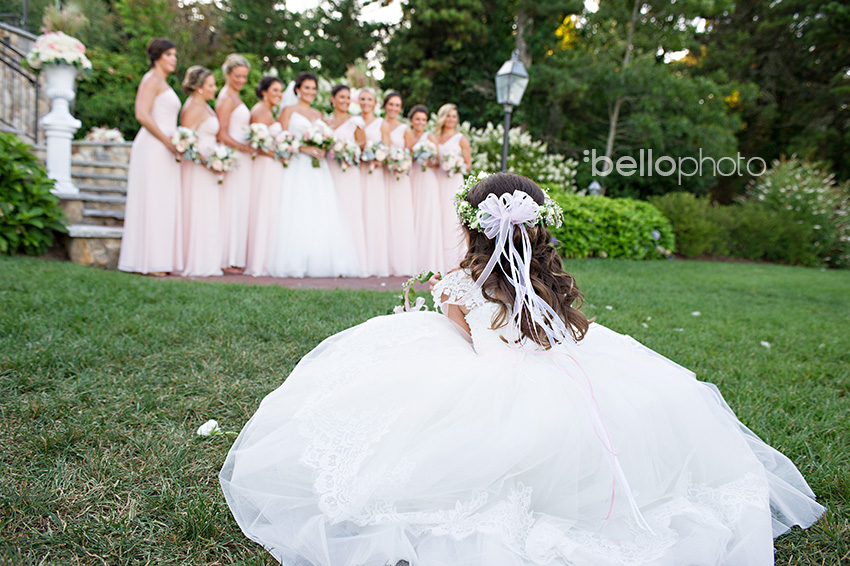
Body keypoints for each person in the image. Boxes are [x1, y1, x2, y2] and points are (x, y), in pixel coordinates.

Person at [221, 171, 824, 566]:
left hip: (490, 378)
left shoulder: (457, 283)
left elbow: (467, 332)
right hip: (564, 365)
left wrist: (443, 294)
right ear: (537, 230)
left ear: (471, 227)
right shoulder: (549, 284)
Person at [268, 72, 358, 278]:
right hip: (298, 166)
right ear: (297, 89)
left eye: (313, 88)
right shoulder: (287, 111)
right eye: (306, 88)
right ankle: (295, 261)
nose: (310, 92)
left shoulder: (318, 115)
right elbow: (280, 139)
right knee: (298, 208)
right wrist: (302, 148)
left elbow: (327, 139)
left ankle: (322, 261)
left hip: (319, 168)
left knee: (320, 208)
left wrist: (324, 147)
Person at [118, 38, 182, 276]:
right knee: (153, 200)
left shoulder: (163, 82)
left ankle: (160, 258)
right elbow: (142, 115)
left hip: (165, 147)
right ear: (157, 56)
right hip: (153, 145)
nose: (174, 59)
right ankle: (149, 261)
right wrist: (167, 141)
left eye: (175, 55)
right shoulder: (151, 79)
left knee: (163, 201)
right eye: (169, 55)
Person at [179, 66, 223, 278]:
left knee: (209, 211)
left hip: (209, 167)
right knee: (198, 210)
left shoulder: (204, 106)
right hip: (198, 169)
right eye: (211, 85)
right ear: (198, 88)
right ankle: (196, 262)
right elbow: (186, 143)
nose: (215, 88)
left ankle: (209, 261)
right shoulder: (192, 108)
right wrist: (208, 161)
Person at [216, 54, 254, 275]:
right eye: (237, 76)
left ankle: (235, 256)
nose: (241, 80)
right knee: (231, 205)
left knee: (239, 205)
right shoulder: (226, 99)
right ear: (228, 74)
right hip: (235, 157)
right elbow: (221, 133)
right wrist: (244, 148)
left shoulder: (236, 97)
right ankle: (226, 258)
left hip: (243, 158)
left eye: (245, 76)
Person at [325, 84, 368, 276]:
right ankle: (330, 259)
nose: (345, 101)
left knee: (348, 212)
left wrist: (348, 152)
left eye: (348, 97)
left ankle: (352, 262)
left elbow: (362, 147)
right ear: (332, 99)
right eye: (341, 97)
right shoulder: (324, 123)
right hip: (329, 171)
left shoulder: (355, 122)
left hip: (348, 172)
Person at [244, 76, 284, 277]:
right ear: (264, 91)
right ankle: (259, 260)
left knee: (270, 208)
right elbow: (257, 146)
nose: (279, 94)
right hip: (266, 165)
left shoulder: (267, 111)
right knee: (264, 207)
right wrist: (279, 154)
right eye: (275, 90)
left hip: (271, 165)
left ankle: (266, 256)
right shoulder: (260, 112)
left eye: (281, 91)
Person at [356, 87, 390, 277]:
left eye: (369, 99)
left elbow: (387, 150)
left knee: (373, 212)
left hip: (375, 173)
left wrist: (378, 159)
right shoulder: (355, 122)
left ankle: (375, 261)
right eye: (362, 99)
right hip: (358, 171)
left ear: (375, 103)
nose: (366, 102)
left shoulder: (380, 123)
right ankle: (360, 258)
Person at [382, 91, 416, 276]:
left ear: (400, 108)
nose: (393, 108)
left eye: (397, 105)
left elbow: (409, 155)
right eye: (390, 104)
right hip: (382, 175)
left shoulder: (405, 129)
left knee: (398, 216)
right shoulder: (380, 124)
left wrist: (399, 164)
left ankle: (400, 261)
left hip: (398, 176)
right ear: (385, 105)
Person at [435, 103, 472, 272]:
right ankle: (435, 256)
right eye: (448, 116)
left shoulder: (460, 138)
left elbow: (468, 165)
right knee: (437, 217)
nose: (451, 119)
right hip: (437, 180)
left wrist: (455, 165)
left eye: (454, 116)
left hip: (453, 181)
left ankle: (455, 258)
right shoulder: (435, 138)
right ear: (442, 117)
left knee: (451, 217)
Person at [409, 104, 445, 273]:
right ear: (411, 121)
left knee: (425, 216)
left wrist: (427, 159)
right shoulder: (408, 136)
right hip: (410, 177)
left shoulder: (429, 137)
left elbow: (438, 161)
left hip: (426, 178)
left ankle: (427, 259)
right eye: (417, 119)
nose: (420, 122)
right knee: (411, 216)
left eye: (423, 119)